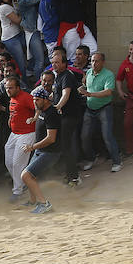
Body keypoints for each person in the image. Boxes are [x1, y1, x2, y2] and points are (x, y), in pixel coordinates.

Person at [79, 52, 122, 173]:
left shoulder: (108, 75)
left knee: (107, 136)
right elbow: (86, 85)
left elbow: (108, 92)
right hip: (90, 109)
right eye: (92, 61)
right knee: (84, 136)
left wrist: (89, 94)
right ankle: (91, 158)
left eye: (97, 61)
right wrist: (82, 88)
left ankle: (117, 161)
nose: (94, 63)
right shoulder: (89, 73)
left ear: (103, 62)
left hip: (104, 108)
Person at [21, 88, 62, 214]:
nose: (35, 103)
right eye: (34, 100)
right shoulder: (42, 110)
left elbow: (51, 138)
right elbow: (38, 114)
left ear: (45, 99)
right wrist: (34, 119)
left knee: (26, 176)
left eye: (37, 100)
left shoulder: (51, 114)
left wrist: (32, 147)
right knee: (31, 176)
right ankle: (33, 201)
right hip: (41, 150)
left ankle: (44, 204)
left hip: (50, 152)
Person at [50, 48, 83, 186]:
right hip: (63, 117)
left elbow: (66, 94)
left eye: (57, 62)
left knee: (66, 145)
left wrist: (57, 106)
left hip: (69, 116)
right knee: (65, 145)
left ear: (64, 63)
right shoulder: (58, 76)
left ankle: (74, 177)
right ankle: (70, 174)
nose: (54, 65)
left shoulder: (67, 75)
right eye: (53, 62)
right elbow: (56, 94)